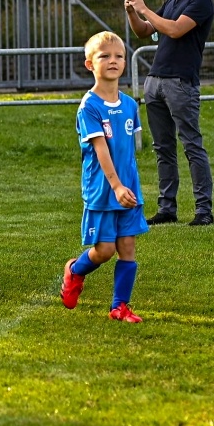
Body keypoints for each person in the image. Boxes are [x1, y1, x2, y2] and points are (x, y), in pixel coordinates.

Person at [124, 0, 214, 226]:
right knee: (162, 148)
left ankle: (203, 210)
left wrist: (144, 8)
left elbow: (175, 29)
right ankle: (167, 208)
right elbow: (144, 31)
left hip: (181, 82)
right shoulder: (171, 1)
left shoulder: (201, 1)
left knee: (191, 145)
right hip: (156, 80)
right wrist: (132, 12)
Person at [60, 32, 147, 323]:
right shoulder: (89, 106)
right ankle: (75, 270)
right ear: (89, 64)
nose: (113, 61)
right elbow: (101, 150)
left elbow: (128, 151)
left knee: (128, 247)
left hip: (128, 189)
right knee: (105, 250)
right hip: (103, 188)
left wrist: (129, 184)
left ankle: (119, 307)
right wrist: (116, 184)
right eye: (104, 56)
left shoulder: (131, 105)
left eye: (119, 56)